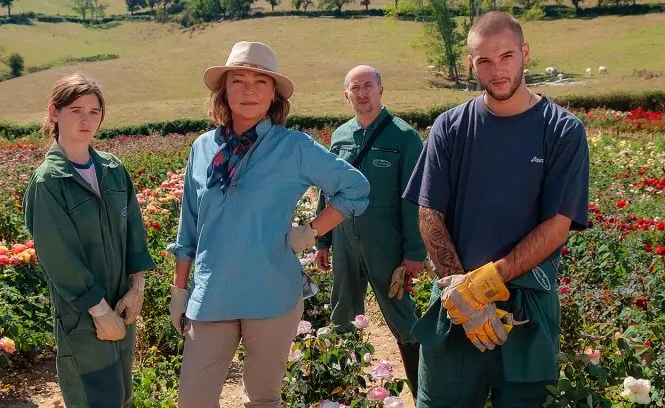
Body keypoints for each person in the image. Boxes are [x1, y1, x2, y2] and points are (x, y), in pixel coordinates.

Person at [166, 41, 370, 408]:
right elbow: (189, 227)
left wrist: (311, 231)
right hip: (212, 294)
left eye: (260, 82)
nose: (248, 90)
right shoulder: (202, 148)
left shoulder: (292, 147)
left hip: (273, 293)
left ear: (274, 94)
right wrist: (179, 290)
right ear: (223, 91)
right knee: (192, 401)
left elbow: (355, 187)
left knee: (262, 400)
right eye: (238, 80)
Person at [402, 11, 590, 408]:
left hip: (527, 309)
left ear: (524, 53)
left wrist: (482, 285)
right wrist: (462, 295)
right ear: (472, 64)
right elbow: (429, 214)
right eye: (484, 61)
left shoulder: (561, 130)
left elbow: (557, 226)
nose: (497, 70)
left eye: (506, 56)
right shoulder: (450, 127)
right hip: (454, 310)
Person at [24, 73, 156, 408]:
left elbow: (134, 231)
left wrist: (136, 286)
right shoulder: (49, 181)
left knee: (123, 395)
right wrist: (98, 310)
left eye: (94, 111)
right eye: (76, 110)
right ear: (55, 113)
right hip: (82, 314)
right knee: (97, 398)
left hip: (122, 303)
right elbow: (58, 256)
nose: (86, 119)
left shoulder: (113, 169)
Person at [314, 65, 427, 398]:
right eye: (354, 88)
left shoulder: (403, 137)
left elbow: (415, 199)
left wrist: (414, 253)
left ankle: (424, 394)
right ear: (346, 95)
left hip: (387, 241)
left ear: (381, 90)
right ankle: (343, 394)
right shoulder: (340, 137)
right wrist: (322, 239)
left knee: (402, 318)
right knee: (342, 314)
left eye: (368, 86)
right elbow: (327, 189)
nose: (361, 93)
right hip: (345, 239)